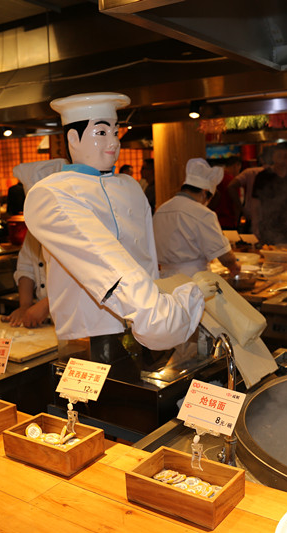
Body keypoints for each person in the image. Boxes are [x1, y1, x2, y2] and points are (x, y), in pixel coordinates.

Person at [23, 92, 214, 356]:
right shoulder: (53, 193)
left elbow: (147, 255)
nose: (113, 142)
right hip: (89, 331)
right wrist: (163, 314)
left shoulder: (130, 186)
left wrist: (161, 300)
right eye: (101, 132)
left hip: (140, 325)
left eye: (115, 132)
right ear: (72, 139)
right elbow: (102, 258)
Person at [2, 158, 66, 327]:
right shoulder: (35, 228)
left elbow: (83, 279)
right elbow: (26, 268)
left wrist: (47, 304)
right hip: (45, 321)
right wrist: (25, 305)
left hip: (73, 317)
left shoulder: (73, 229)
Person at [153, 158, 240, 278]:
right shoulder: (202, 213)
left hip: (164, 278)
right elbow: (226, 257)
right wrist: (234, 266)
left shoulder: (161, 210)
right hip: (194, 280)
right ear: (204, 193)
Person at [252, 142, 287, 244]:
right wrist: (255, 224)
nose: (283, 160)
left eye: (285, 157)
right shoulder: (263, 176)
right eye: (279, 156)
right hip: (269, 226)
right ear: (273, 157)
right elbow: (255, 203)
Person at [228, 145, 275, 237]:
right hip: (271, 218)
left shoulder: (250, 172)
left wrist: (242, 208)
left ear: (261, 159)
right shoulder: (277, 173)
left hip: (251, 215)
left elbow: (231, 186)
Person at [209, 156, 241, 230]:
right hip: (229, 221)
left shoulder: (215, 179)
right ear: (236, 165)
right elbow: (235, 203)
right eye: (239, 169)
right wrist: (237, 221)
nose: (238, 172)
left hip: (214, 221)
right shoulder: (233, 181)